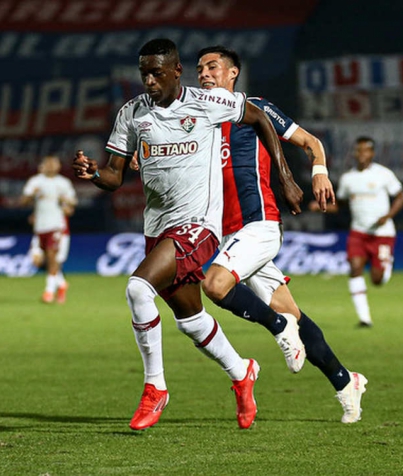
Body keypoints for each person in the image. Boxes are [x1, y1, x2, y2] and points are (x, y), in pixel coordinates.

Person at [73, 38, 302, 430]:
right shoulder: (132, 113)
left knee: (137, 289)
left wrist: (285, 175)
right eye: (144, 72)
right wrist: (94, 173)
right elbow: (115, 174)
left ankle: (155, 388)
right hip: (158, 226)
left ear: (176, 71)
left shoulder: (208, 102)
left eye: (157, 73)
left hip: (199, 226)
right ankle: (242, 371)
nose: (149, 80)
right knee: (190, 318)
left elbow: (260, 119)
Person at [192, 45, 368, 423]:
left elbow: (311, 143)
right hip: (229, 235)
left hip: (259, 224)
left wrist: (318, 171)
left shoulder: (253, 108)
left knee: (215, 285)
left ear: (233, 73)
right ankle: (345, 380)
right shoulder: (197, 119)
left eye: (212, 66)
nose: (204, 73)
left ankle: (277, 327)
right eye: (199, 68)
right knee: (295, 315)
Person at [311, 137, 403, 328]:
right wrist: (320, 206)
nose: (361, 154)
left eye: (365, 150)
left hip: (382, 233)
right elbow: (341, 205)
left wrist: (387, 216)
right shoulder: (348, 179)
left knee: (377, 280)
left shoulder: (383, 174)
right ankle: (365, 318)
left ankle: (387, 263)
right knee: (355, 268)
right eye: (358, 151)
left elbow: (402, 196)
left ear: (372, 153)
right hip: (358, 232)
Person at [21, 155, 77, 303]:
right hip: (40, 227)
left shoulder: (63, 183)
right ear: (43, 165)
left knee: (52, 257)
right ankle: (61, 283)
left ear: (58, 166)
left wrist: (65, 203)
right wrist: (33, 195)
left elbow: (71, 207)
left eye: (54, 163)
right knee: (38, 261)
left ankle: (49, 292)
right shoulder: (36, 181)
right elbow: (23, 201)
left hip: (57, 226)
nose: (51, 166)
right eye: (48, 163)